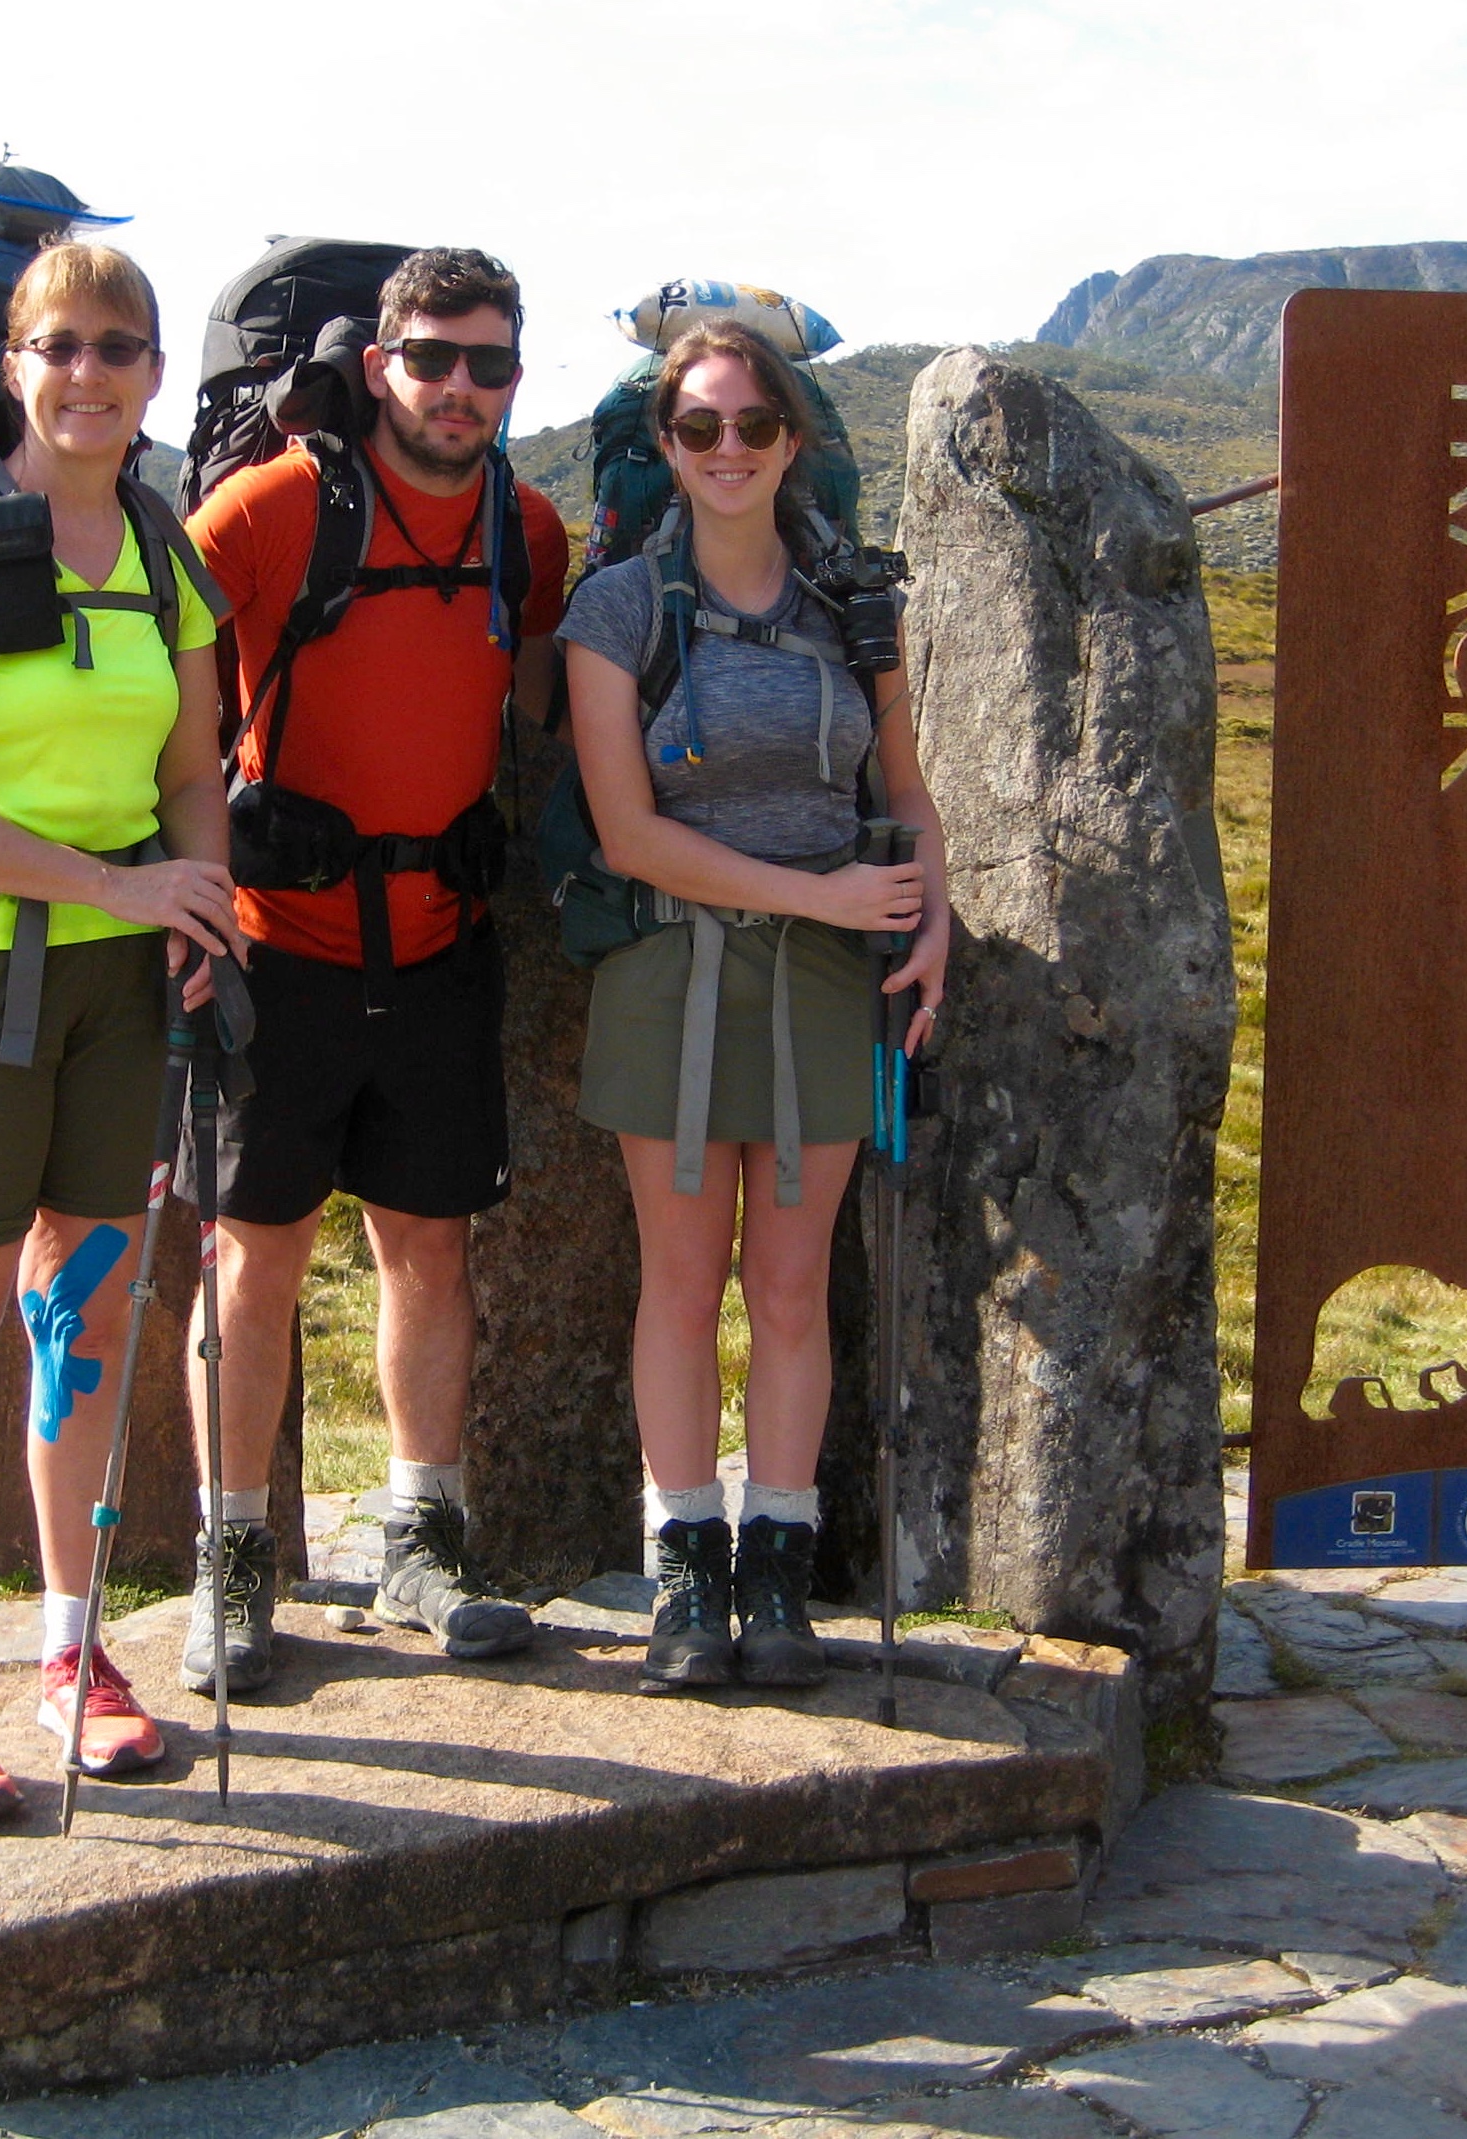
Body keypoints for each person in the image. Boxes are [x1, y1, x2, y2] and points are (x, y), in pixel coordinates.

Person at [0, 241, 243, 1826]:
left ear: (153, 376)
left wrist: (195, 900)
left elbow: (197, 760)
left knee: (79, 1332)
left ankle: (74, 1656)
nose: (90, 373)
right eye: (60, 345)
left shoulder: (163, 549)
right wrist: (115, 887)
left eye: (119, 348)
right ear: (13, 365)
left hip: (115, 995)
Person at [179, 248, 568, 1691]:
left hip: (441, 952)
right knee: (250, 1261)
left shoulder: (529, 530)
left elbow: (532, 703)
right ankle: (236, 1564)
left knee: (431, 1252)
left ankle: (425, 1540)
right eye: (433, 358)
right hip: (275, 950)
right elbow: (160, 678)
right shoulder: (276, 508)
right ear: (379, 362)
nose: (459, 388)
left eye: (490, 364)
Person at [558, 321, 946, 1688]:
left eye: (754, 426)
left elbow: (902, 793)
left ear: (794, 443)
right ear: (663, 447)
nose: (729, 450)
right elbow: (630, 836)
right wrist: (830, 902)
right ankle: (685, 1574)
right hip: (675, 968)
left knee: (789, 1285)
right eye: (700, 427)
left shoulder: (856, 604)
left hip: (828, 984)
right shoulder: (615, 609)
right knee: (681, 1280)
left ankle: (776, 1564)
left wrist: (928, 913)